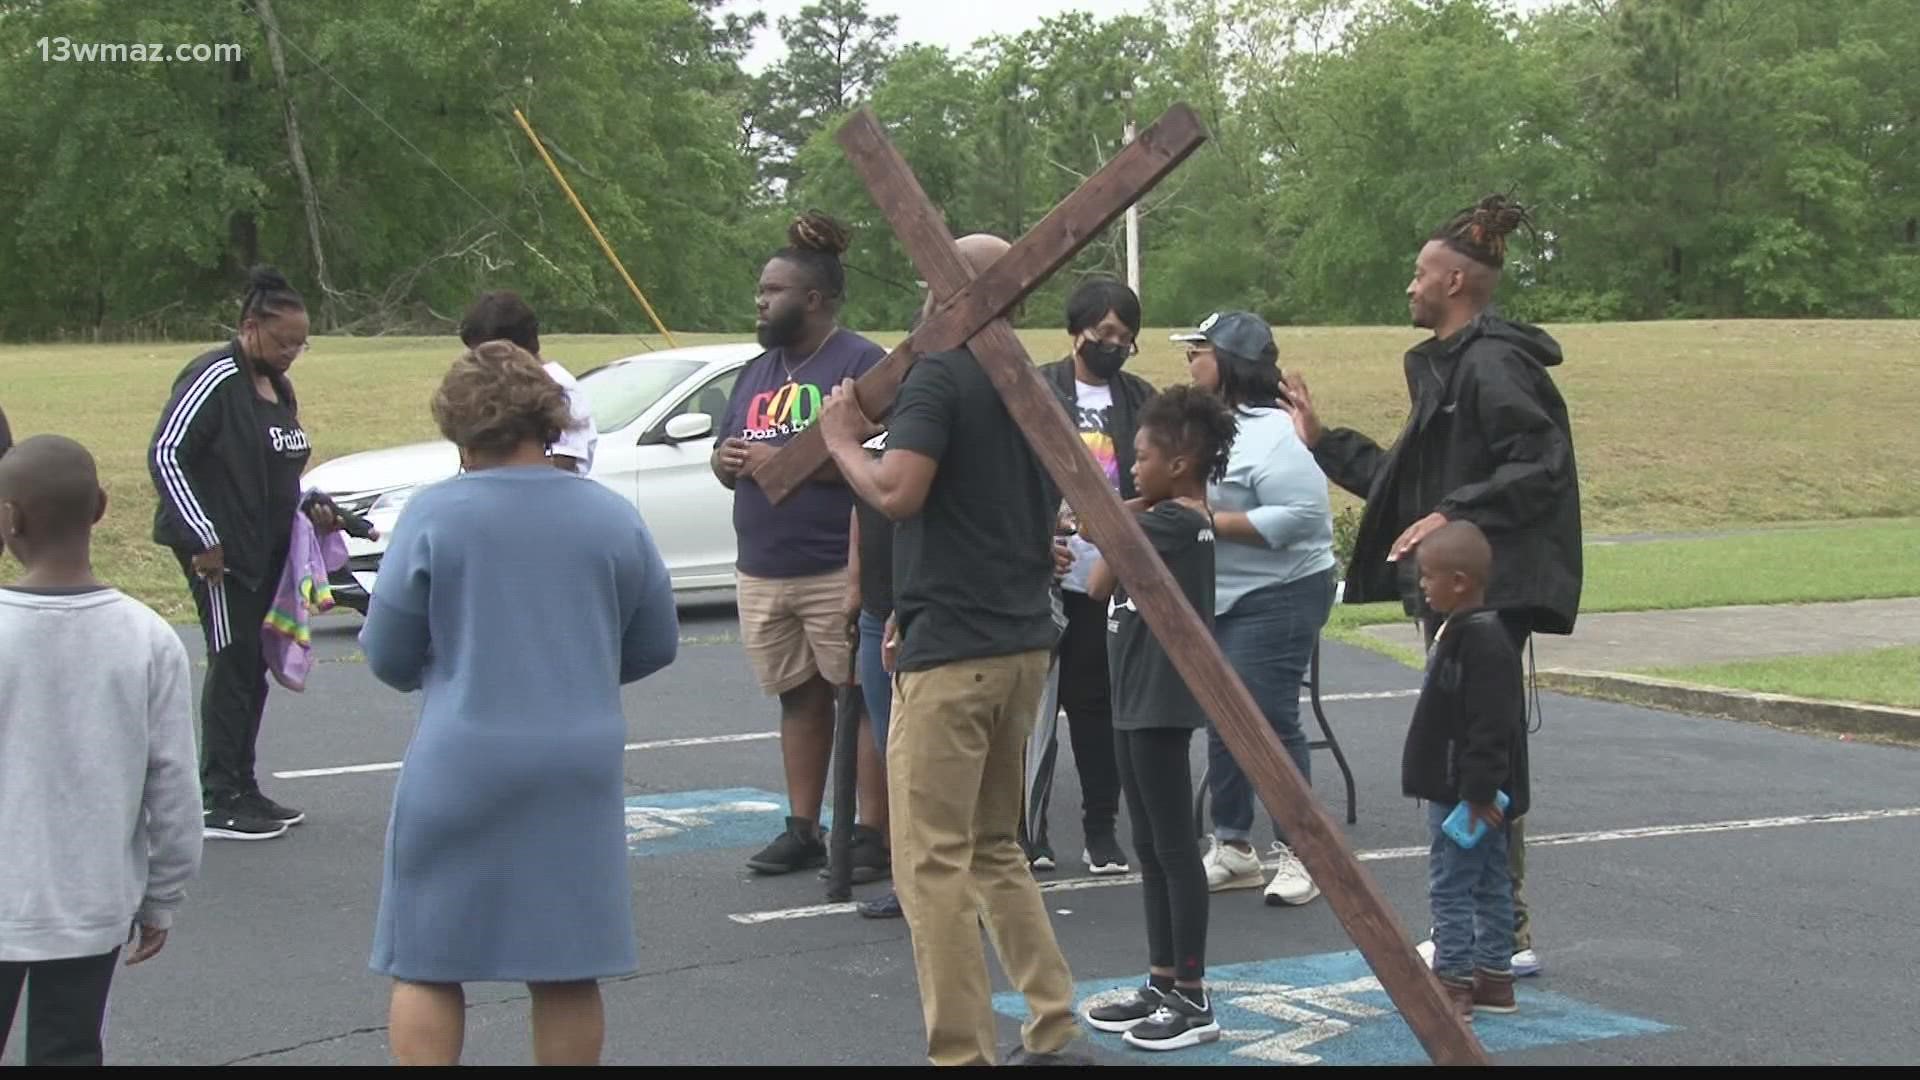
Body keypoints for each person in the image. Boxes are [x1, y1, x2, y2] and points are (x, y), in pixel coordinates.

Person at [359, 341, 679, 1066]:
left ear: (459, 429)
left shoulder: (433, 513)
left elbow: (387, 655)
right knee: (566, 963)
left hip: (462, 754)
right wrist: (581, 667)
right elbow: (655, 642)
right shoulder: (610, 516)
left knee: (429, 959)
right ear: (549, 418)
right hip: (577, 760)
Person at [1285, 193, 1581, 976]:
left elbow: (1541, 464)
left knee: (1480, 752)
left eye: (1420, 274)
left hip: (1489, 594)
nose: (1408, 286)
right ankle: (1491, 934)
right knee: (1468, 753)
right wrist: (1323, 444)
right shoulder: (1447, 370)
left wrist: (1458, 511)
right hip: (1454, 587)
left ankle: (1497, 935)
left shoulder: (1490, 364)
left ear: (1454, 283)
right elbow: (1409, 494)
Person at [817, 233, 1088, 1068]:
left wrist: (838, 441)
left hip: (956, 651)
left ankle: (961, 1053)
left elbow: (900, 492)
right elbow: (1012, 513)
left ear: (949, 292)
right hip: (1020, 643)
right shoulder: (1038, 387)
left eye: (931, 285)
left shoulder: (940, 374)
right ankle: (1053, 1025)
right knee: (994, 845)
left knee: (930, 862)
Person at [0, 435, 204, 1066]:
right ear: (102, 508)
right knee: (68, 1049)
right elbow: (173, 784)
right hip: (93, 901)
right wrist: (162, 895)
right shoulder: (148, 637)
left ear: (8, 518)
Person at [712, 213, 890, 879]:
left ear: (813, 299)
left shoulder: (860, 365)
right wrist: (726, 459)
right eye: (761, 290)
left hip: (834, 562)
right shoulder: (757, 370)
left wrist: (786, 459)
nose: (760, 302)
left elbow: (877, 452)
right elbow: (731, 453)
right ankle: (801, 825)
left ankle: (870, 833)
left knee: (861, 696)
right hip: (763, 565)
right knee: (798, 696)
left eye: (773, 290)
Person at [147, 265, 341, 841]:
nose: (291, 354)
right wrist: (204, 535)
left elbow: (281, 468)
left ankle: (243, 785)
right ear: (249, 326)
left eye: (300, 345)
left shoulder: (278, 388)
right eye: (283, 342)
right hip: (219, 555)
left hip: (267, 551)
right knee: (232, 662)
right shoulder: (213, 377)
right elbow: (167, 455)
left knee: (253, 666)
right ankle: (217, 798)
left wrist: (312, 507)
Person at [1080, 386, 1236, 1052]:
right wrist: (1125, 513)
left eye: (1140, 458)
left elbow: (1095, 530)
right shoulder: (1154, 518)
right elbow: (1096, 587)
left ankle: (1194, 997)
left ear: (1180, 462)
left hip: (1161, 700)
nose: (1131, 466)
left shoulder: (1183, 521)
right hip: (1130, 693)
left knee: (1175, 848)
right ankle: (1161, 979)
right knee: (1149, 846)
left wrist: (1114, 516)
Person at [1178, 311, 1337, 906]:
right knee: (1225, 712)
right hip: (1224, 593)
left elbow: (1303, 519)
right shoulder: (1210, 426)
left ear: (1229, 361)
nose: (1190, 361)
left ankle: (1304, 852)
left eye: (1200, 350)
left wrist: (1212, 522)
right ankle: (1233, 846)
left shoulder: (1274, 434)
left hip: (1281, 590)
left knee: (1269, 718)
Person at [1028, 277, 1155, 876]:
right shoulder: (1036, 389)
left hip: (1107, 583)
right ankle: (1029, 832)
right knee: (1032, 710)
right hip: (1040, 576)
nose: (1113, 344)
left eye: (1125, 337)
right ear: (1076, 329)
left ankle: (1101, 828)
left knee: (1097, 708)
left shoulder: (1140, 399)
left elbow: (1157, 485)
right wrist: (1036, 540)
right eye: (1104, 332)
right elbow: (1012, 476)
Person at [1401, 520, 1529, 1020]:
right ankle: (1495, 977)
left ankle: (1452, 980)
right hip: (1473, 789)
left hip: (1465, 793)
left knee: (1453, 883)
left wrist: (1476, 790)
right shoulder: (1466, 631)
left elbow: (1491, 725)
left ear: (1460, 581)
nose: (1422, 586)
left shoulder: (1483, 641)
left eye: (1429, 577)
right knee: (1489, 880)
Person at [847, 433, 902, 917]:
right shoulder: (876, 443)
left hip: (918, 615)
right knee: (893, 752)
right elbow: (861, 512)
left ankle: (953, 883)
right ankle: (910, 880)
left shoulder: (929, 438)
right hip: (875, 610)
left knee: (924, 761)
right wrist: (852, 581)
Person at [456, 291, 599, 473]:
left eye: (485, 353)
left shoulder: (557, 387)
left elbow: (564, 465)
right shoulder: (494, 384)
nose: (478, 360)